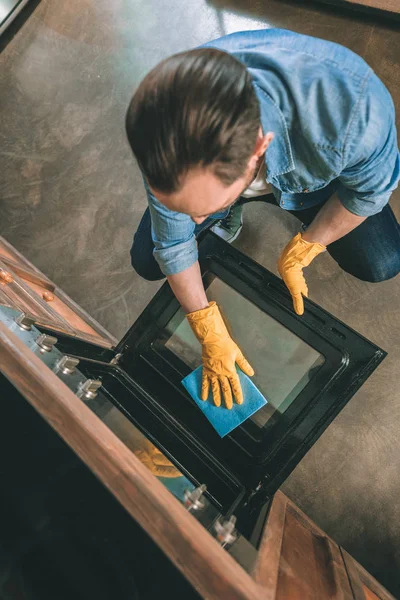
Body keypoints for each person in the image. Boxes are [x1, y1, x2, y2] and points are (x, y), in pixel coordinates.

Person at [126, 28, 400, 410]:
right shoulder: (163, 122)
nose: (193, 219)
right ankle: (230, 205)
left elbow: (368, 193)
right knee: (148, 258)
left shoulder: (354, 115)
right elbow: (172, 242)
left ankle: (250, 202)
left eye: (204, 208)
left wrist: (307, 246)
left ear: (258, 149)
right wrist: (205, 327)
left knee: (383, 261)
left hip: (313, 175)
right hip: (248, 172)